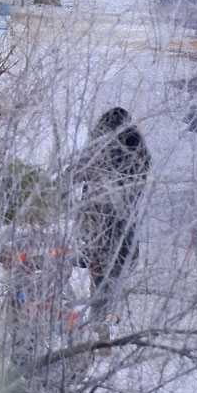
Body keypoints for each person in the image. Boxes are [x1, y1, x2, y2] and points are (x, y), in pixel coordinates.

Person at [72, 106, 151, 308]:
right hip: (125, 234)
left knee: (99, 280)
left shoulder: (100, 151)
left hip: (99, 231)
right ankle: (105, 323)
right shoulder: (141, 154)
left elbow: (74, 174)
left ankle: (98, 323)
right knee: (111, 286)